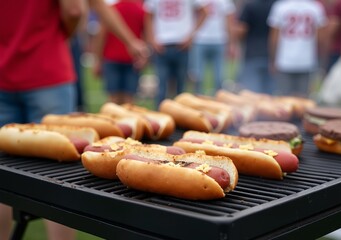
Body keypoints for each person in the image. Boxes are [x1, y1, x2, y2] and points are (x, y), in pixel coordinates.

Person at [0, 0, 149, 239]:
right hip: (48, 73)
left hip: (3, 73)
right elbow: (76, 8)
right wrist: (61, 35)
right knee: (56, 181)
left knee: (2, 179)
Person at [144, 0, 209, 107]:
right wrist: (152, 39)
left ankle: (181, 120)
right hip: (162, 44)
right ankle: (161, 118)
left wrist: (191, 36)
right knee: (161, 88)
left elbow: (204, 11)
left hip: (181, 45)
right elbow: (148, 16)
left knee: (181, 89)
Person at [267, 0, 327, 98]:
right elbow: (321, 39)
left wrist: (272, 59)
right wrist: (322, 61)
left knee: (284, 100)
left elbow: (274, 38)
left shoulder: (280, 6)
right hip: (307, 60)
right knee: (303, 100)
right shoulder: (315, 7)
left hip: (284, 60)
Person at [93, 0, 146, 105]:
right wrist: (144, 57)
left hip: (111, 58)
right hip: (132, 59)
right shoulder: (141, 10)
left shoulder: (112, 9)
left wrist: (98, 60)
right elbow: (145, 35)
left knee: (112, 99)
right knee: (129, 101)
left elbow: (101, 36)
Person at [189, 0, 236, 96]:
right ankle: (198, 101)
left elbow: (229, 22)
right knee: (197, 76)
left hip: (219, 40)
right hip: (200, 39)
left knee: (219, 77)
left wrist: (231, 43)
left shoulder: (225, 2)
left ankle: (218, 101)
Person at [234, 0, 277, 95]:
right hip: (272, 56)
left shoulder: (250, 5)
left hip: (252, 54)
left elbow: (241, 30)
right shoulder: (278, 5)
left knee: (252, 95)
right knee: (269, 98)